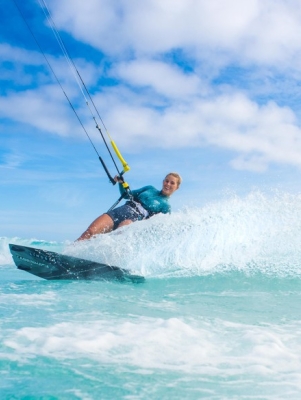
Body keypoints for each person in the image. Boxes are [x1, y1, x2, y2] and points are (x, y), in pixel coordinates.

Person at [76, 172, 182, 241]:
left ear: (177, 187)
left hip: (134, 219)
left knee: (119, 233)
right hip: (119, 211)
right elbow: (126, 195)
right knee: (90, 232)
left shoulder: (166, 207)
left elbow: (156, 228)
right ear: (163, 181)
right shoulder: (149, 188)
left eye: (172, 183)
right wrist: (121, 183)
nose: (168, 184)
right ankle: (69, 253)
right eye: (166, 181)